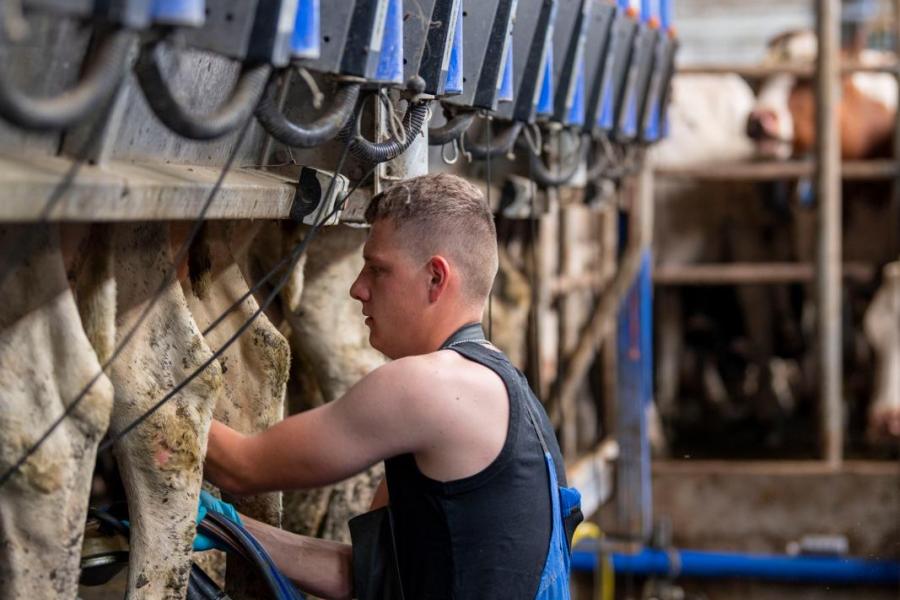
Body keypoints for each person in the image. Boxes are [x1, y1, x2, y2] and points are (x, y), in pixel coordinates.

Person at [201, 173, 581, 599]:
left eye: (378, 270)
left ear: (436, 278)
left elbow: (241, 466)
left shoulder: (431, 386)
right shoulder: (502, 387)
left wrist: (140, 388)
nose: (357, 288)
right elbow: (368, 578)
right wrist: (228, 525)